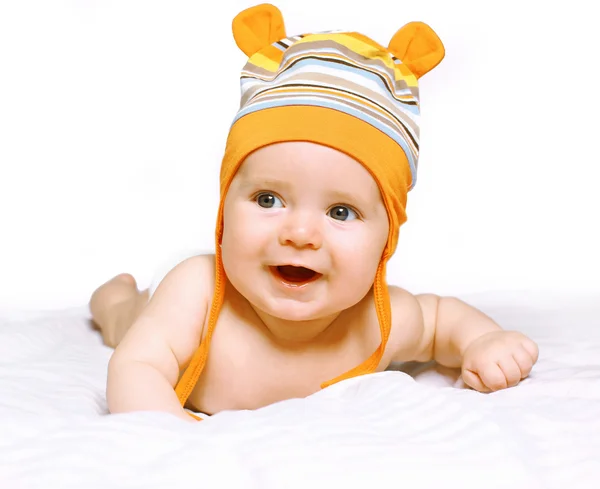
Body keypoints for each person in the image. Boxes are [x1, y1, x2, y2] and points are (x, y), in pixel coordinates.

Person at [89, 3, 539, 422]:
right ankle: (113, 296)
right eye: (268, 200)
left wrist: (482, 340)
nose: (301, 233)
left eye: (340, 212)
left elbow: (442, 319)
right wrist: (167, 441)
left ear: (387, 239)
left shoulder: (380, 320)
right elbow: (136, 366)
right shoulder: (197, 292)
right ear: (224, 208)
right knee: (125, 321)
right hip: (166, 301)